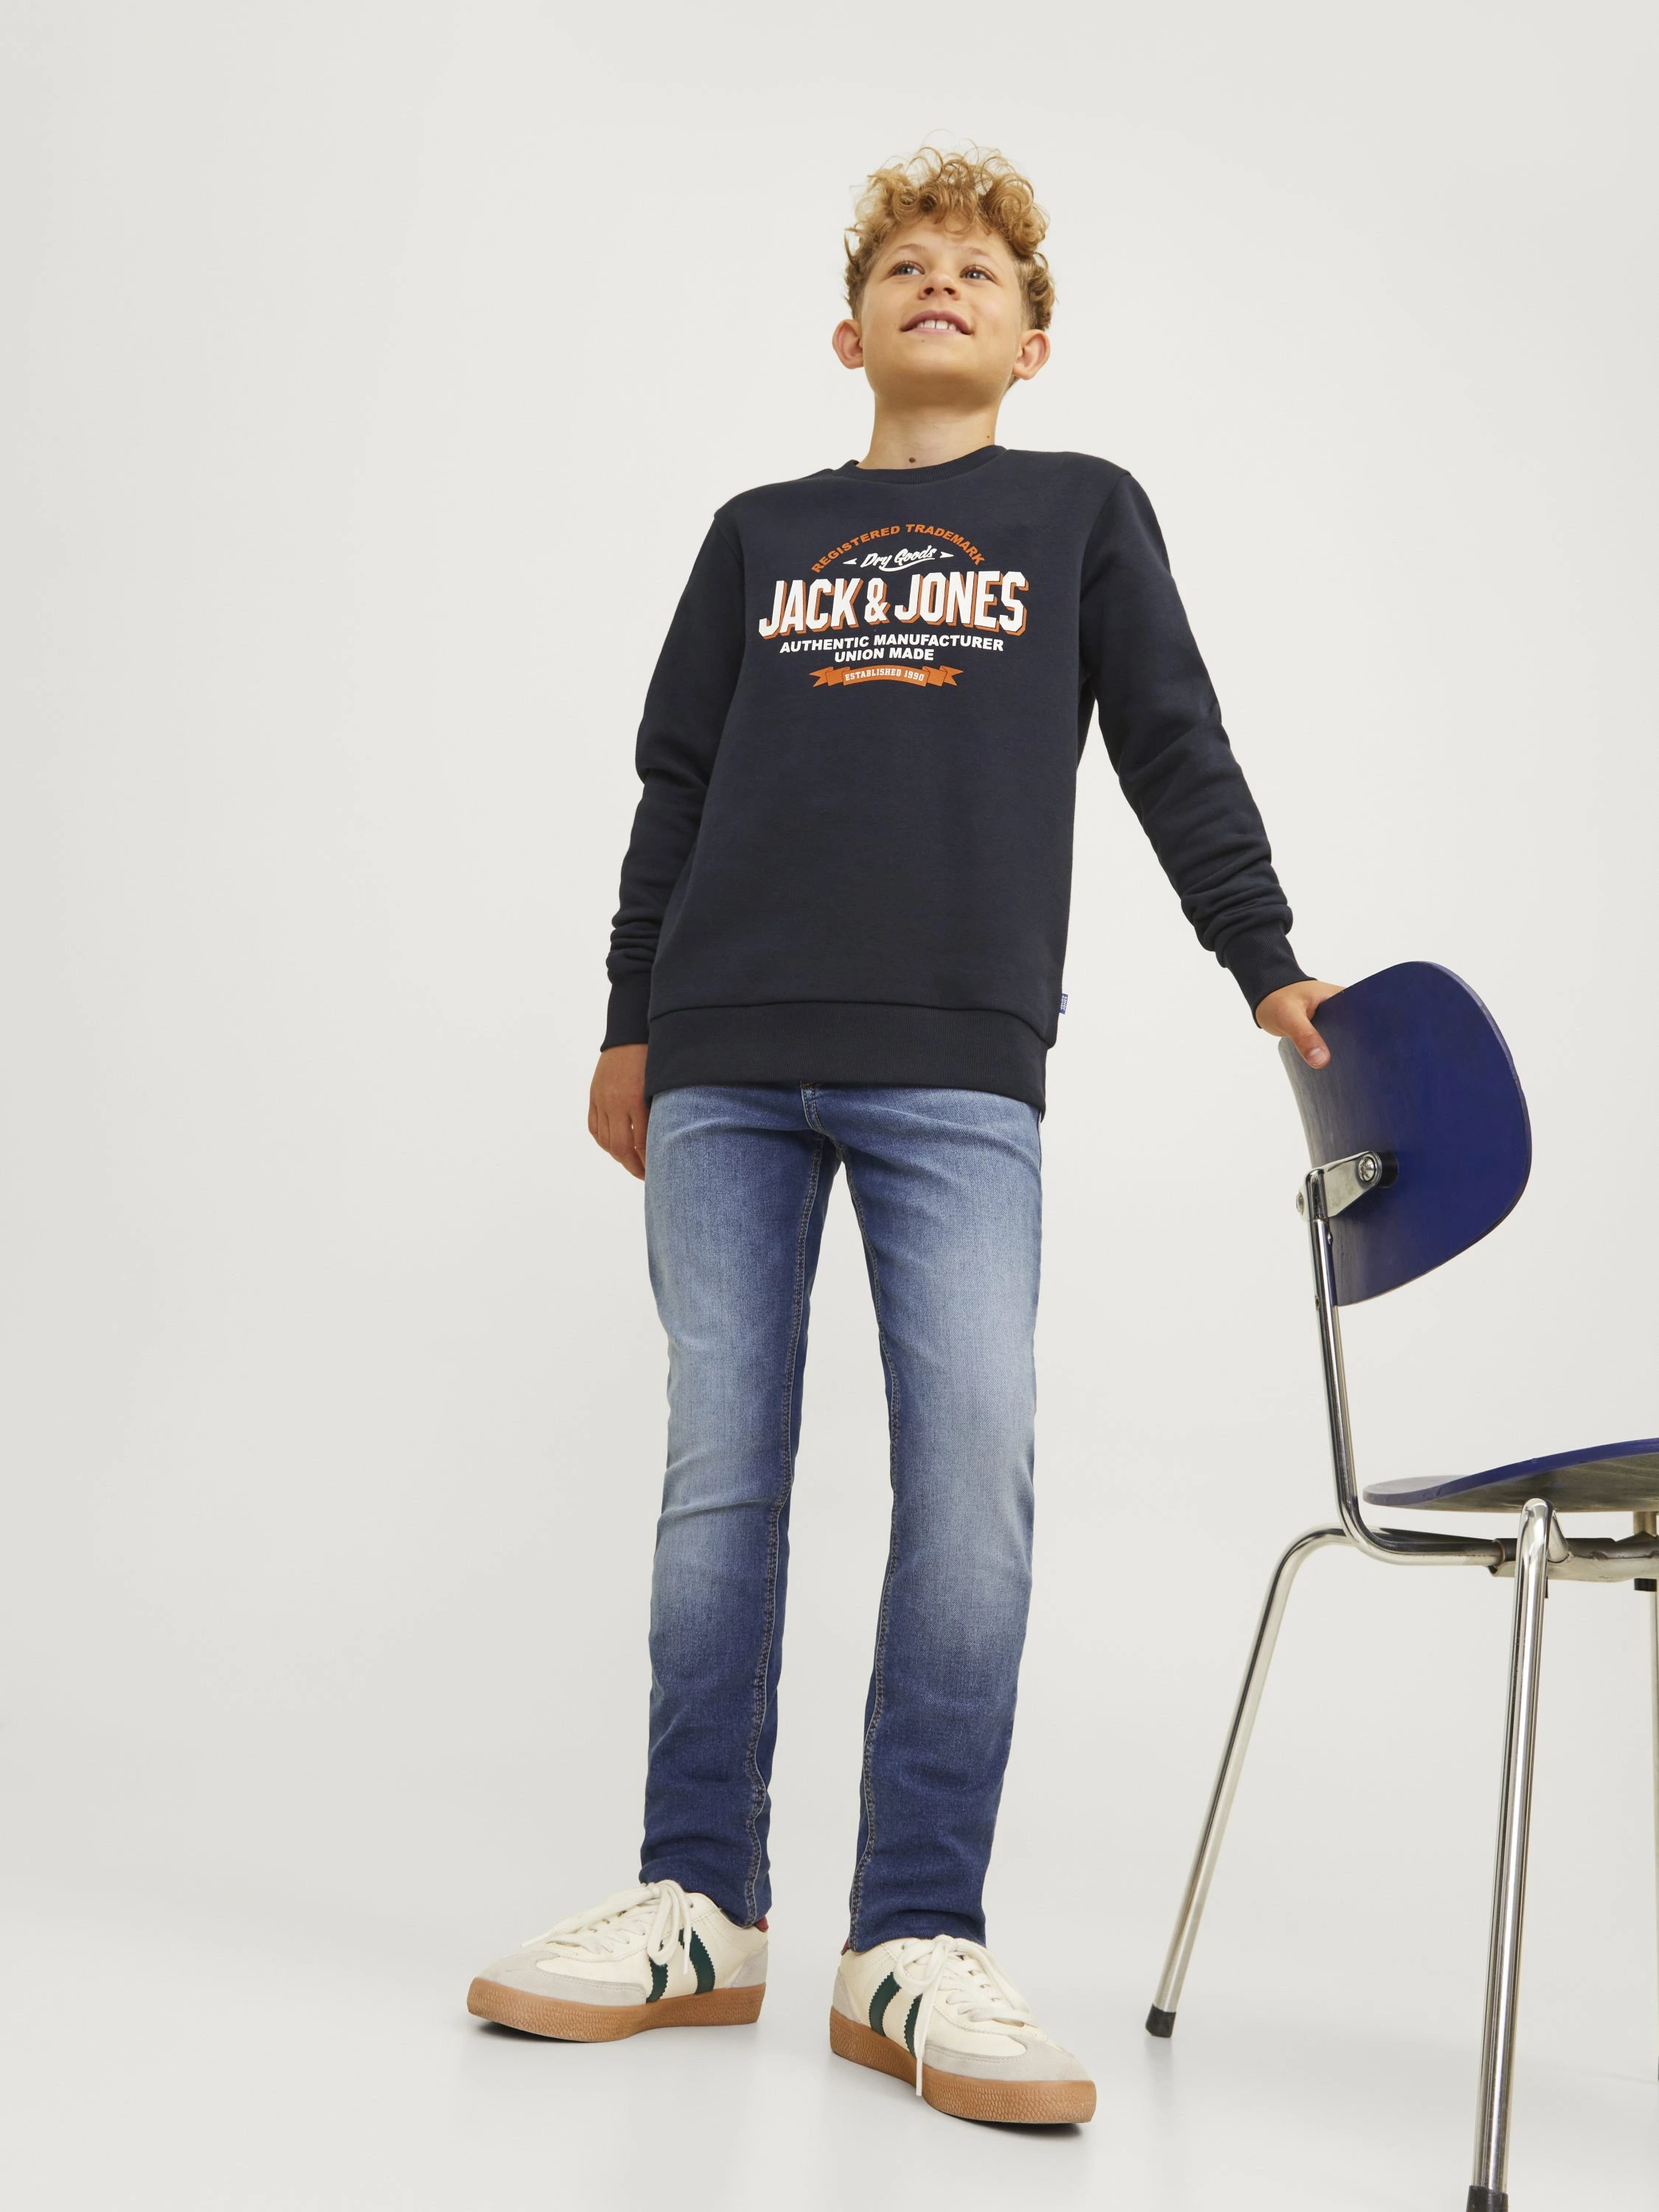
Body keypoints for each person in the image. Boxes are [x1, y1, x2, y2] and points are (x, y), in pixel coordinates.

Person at [466, 145, 1339, 2125]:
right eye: (905, 267)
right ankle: (701, 1905)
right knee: (719, 1480)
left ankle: (911, 1941)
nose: (942, 283)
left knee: (969, 1483)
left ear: (1034, 345)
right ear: (848, 333)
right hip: (723, 1052)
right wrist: (629, 1019)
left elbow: (1177, 748)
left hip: (954, 1060)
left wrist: (1267, 964)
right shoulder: (758, 534)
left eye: (981, 272)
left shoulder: (1081, 513)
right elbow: (676, 783)